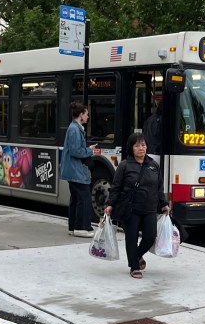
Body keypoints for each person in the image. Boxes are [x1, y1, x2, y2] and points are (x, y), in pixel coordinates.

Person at [105, 132, 169, 279]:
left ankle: (137, 255)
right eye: (137, 145)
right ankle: (134, 267)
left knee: (150, 237)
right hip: (131, 209)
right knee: (131, 238)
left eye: (143, 145)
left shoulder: (153, 165)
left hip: (149, 208)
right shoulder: (124, 166)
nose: (141, 148)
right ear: (131, 148)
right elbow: (116, 187)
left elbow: (159, 187)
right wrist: (110, 204)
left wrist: (164, 204)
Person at [60, 101, 97, 237]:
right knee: (84, 198)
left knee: (76, 199)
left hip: (72, 170)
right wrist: (90, 150)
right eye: (86, 114)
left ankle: (73, 227)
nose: (88, 117)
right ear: (81, 115)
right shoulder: (75, 129)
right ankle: (82, 227)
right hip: (76, 170)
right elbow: (76, 151)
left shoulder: (73, 128)